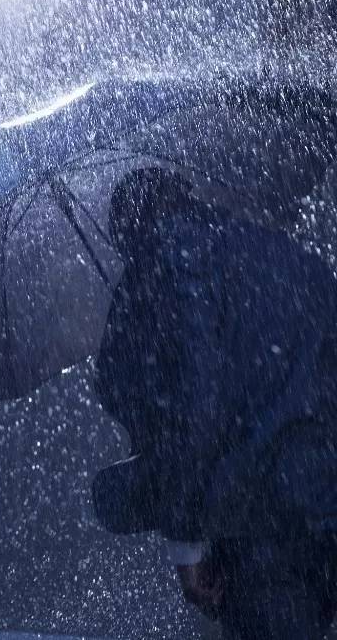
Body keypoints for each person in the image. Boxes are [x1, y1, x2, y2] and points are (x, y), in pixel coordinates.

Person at [92, 167, 337, 639]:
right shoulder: (283, 255)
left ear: (130, 232)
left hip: (259, 528)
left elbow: (193, 416)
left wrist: (187, 544)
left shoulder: (167, 270)